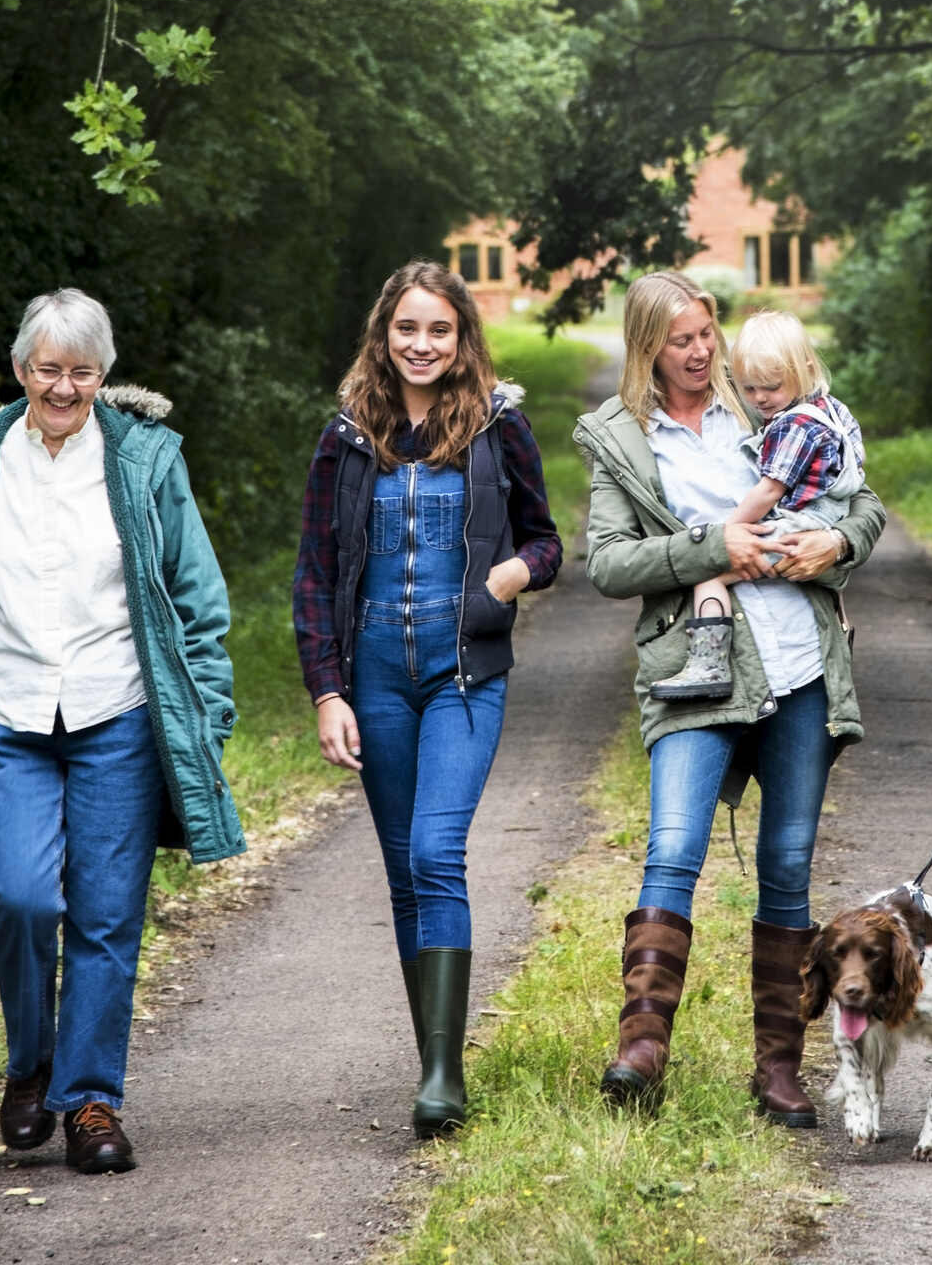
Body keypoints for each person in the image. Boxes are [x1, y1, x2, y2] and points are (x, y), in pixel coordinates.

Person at [0, 288, 244, 1175]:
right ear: (19, 369)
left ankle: (91, 1102)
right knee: (18, 896)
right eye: (48, 369)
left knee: (104, 915)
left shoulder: (146, 461)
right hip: (5, 714)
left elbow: (198, 599)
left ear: (104, 375)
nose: (64, 388)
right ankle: (31, 1065)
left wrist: (205, 710)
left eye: (82, 372)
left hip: (116, 711)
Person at [572, 271, 886, 1126]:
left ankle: (778, 1069)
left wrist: (835, 542)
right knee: (673, 844)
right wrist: (715, 546)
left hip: (796, 662)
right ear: (646, 347)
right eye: (680, 340)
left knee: (785, 863)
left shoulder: (761, 394)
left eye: (706, 332)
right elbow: (605, 562)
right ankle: (641, 1050)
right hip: (693, 666)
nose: (701, 352)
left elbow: (863, 506)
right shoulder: (620, 437)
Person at [292, 260, 561, 1139]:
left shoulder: (496, 426)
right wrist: (328, 691)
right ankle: (431, 1060)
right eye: (407, 328)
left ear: (461, 338)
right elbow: (315, 576)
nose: (421, 344)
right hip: (373, 678)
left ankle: (443, 1080)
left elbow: (546, 541)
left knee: (438, 850)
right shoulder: (344, 437)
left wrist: (511, 578)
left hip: (464, 674)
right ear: (384, 333)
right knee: (405, 865)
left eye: (438, 330)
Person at [650, 309, 866, 701]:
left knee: (710, 575)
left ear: (804, 368)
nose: (760, 399)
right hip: (821, 519)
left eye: (770, 387)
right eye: (749, 389)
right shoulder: (832, 410)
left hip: (795, 527)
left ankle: (708, 664)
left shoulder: (795, 426)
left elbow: (768, 491)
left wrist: (727, 534)